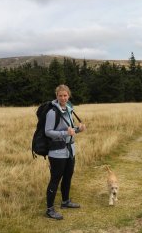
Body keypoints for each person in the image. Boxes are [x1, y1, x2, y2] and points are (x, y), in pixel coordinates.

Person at [45, 84, 86, 220]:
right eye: (60, 95)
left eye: (65, 95)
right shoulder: (52, 112)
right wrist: (64, 132)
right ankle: (50, 209)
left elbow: (71, 129)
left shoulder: (69, 110)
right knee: (55, 179)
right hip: (57, 152)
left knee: (68, 176)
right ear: (56, 96)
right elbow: (48, 131)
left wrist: (79, 129)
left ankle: (65, 201)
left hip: (70, 149)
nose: (63, 98)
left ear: (69, 96)